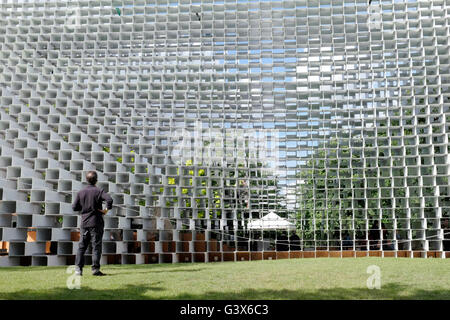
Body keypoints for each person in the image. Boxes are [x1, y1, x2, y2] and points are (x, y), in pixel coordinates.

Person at [72, 171, 113, 276]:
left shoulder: (81, 192)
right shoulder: (99, 191)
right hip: (96, 223)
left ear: (86, 180)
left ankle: (78, 270)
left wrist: (84, 207)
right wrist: (106, 210)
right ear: (96, 180)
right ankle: (95, 270)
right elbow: (109, 199)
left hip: (85, 223)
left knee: (82, 246)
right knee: (96, 246)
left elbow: (74, 207)